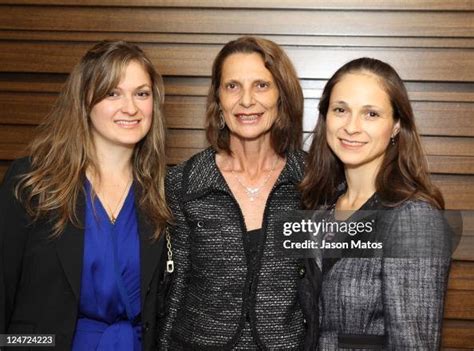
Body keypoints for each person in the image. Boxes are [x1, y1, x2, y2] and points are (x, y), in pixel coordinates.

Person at [0, 40, 171, 350]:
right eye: (112, 93)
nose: (130, 108)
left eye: (141, 94)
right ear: (84, 101)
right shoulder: (32, 183)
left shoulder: (162, 193)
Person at [158, 36, 307, 350]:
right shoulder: (185, 183)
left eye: (262, 85)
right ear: (218, 98)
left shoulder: (312, 182)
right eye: (233, 86)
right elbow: (175, 285)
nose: (247, 100)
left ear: (282, 95)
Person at [300, 57, 452, 350]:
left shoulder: (414, 218)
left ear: (396, 125)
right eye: (341, 110)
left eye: (371, 114)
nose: (352, 127)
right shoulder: (321, 208)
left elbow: (413, 344)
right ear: (325, 116)